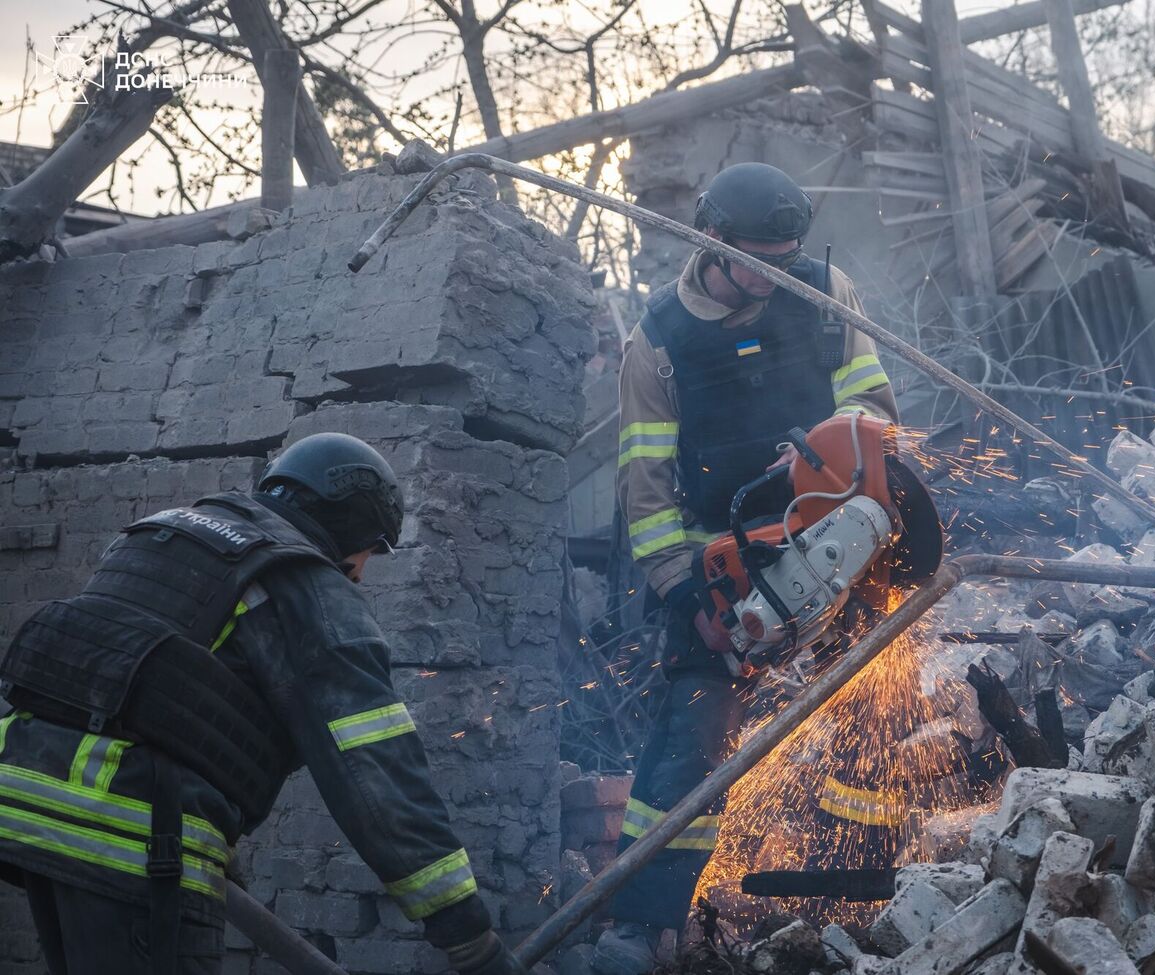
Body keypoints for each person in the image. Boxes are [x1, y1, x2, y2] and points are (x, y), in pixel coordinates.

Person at [0, 433, 524, 975]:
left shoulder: (162, 532)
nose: (362, 573)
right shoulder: (305, 586)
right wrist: (468, 936)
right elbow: (376, 774)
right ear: (352, 523)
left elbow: (141, 693)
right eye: (368, 551)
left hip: (22, 799)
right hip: (127, 833)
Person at [593, 163, 901, 975]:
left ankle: (854, 891)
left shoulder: (826, 290)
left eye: (784, 260)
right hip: (718, 560)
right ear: (711, 241)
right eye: (756, 264)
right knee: (691, 738)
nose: (773, 281)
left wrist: (834, 450)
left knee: (875, 696)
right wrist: (688, 593)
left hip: (833, 529)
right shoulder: (657, 341)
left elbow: (875, 408)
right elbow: (647, 497)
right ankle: (641, 921)